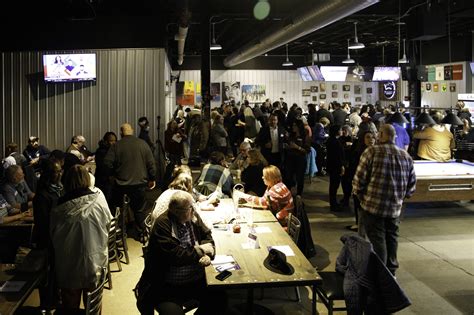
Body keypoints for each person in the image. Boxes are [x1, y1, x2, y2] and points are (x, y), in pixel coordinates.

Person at [137, 190, 225, 315]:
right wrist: (201, 251)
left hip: (196, 280)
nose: (193, 209)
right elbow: (176, 256)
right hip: (168, 287)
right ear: (179, 212)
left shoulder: (192, 217)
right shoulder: (163, 224)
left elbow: (207, 236)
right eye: (190, 207)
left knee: (220, 299)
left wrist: (207, 255)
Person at [352, 124, 416, 275]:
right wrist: (400, 198)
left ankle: (381, 275)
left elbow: (358, 180)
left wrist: (361, 197)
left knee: (378, 240)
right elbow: (411, 186)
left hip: (372, 207)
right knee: (392, 239)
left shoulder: (371, 152)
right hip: (394, 208)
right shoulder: (406, 156)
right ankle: (391, 272)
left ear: (381, 134)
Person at [50, 165, 112, 312]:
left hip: (68, 263)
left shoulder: (58, 206)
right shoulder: (98, 199)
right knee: (94, 304)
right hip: (95, 259)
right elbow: (108, 224)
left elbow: (52, 234)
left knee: (70, 305)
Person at [104, 123, 156, 237]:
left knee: (119, 209)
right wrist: (152, 178)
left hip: (121, 186)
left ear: (121, 132)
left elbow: (107, 163)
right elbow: (151, 164)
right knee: (140, 210)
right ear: (132, 131)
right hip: (139, 185)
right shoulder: (143, 144)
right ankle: (143, 234)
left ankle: (120, 232)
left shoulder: (116, 146)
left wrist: (111, 176)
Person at [32, 159, 64, 311]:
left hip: (57, 237)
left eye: (60, 171)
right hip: (47, 240)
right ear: (49, 174)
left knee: (56, 275)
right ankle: (46, 304)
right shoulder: (43, 195)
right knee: (47, 276)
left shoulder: (58, 188)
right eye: (56, 172)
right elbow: (43, 222)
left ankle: (55, 300)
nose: (59, 174)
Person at [347, 130, 376, 233]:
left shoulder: (377, 152)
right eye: (368, 137)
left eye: (373, 137)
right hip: (360, 182)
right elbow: (353, 168)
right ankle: (358, 223)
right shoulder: (358, 152)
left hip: (372, 184)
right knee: (358, 204)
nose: (371, 140)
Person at [284, 118, 311, 196]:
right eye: (292, 125)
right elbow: (290, 145)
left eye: (295, 125)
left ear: (299, 126)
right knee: (289, 177)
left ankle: (299, 195)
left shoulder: (305, 136)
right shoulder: (291, 135)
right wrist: (287, 146)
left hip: (300, 160)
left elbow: (307, 150)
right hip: (290, 159)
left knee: (300, 178)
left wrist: (297, 147)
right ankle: (289, 194)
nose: (293, 127)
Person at [94, 131, 117, 207]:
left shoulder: (112, 151)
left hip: (109, 181)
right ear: (106, 141)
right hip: (103, 181)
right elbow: (103, 167)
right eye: (111, 141)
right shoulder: (102, 152)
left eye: (115, 140)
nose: (113, 143)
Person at [326, 125, 345, 212]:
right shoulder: (335, 142)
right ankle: (333, 205)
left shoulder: (332, 140)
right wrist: (341, 166)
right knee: (334, 186)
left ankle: (333, 203)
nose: (342, 131)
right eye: (341, 129)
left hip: (332, 166)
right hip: (335, 167)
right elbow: (337, 156)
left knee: (333, 186)